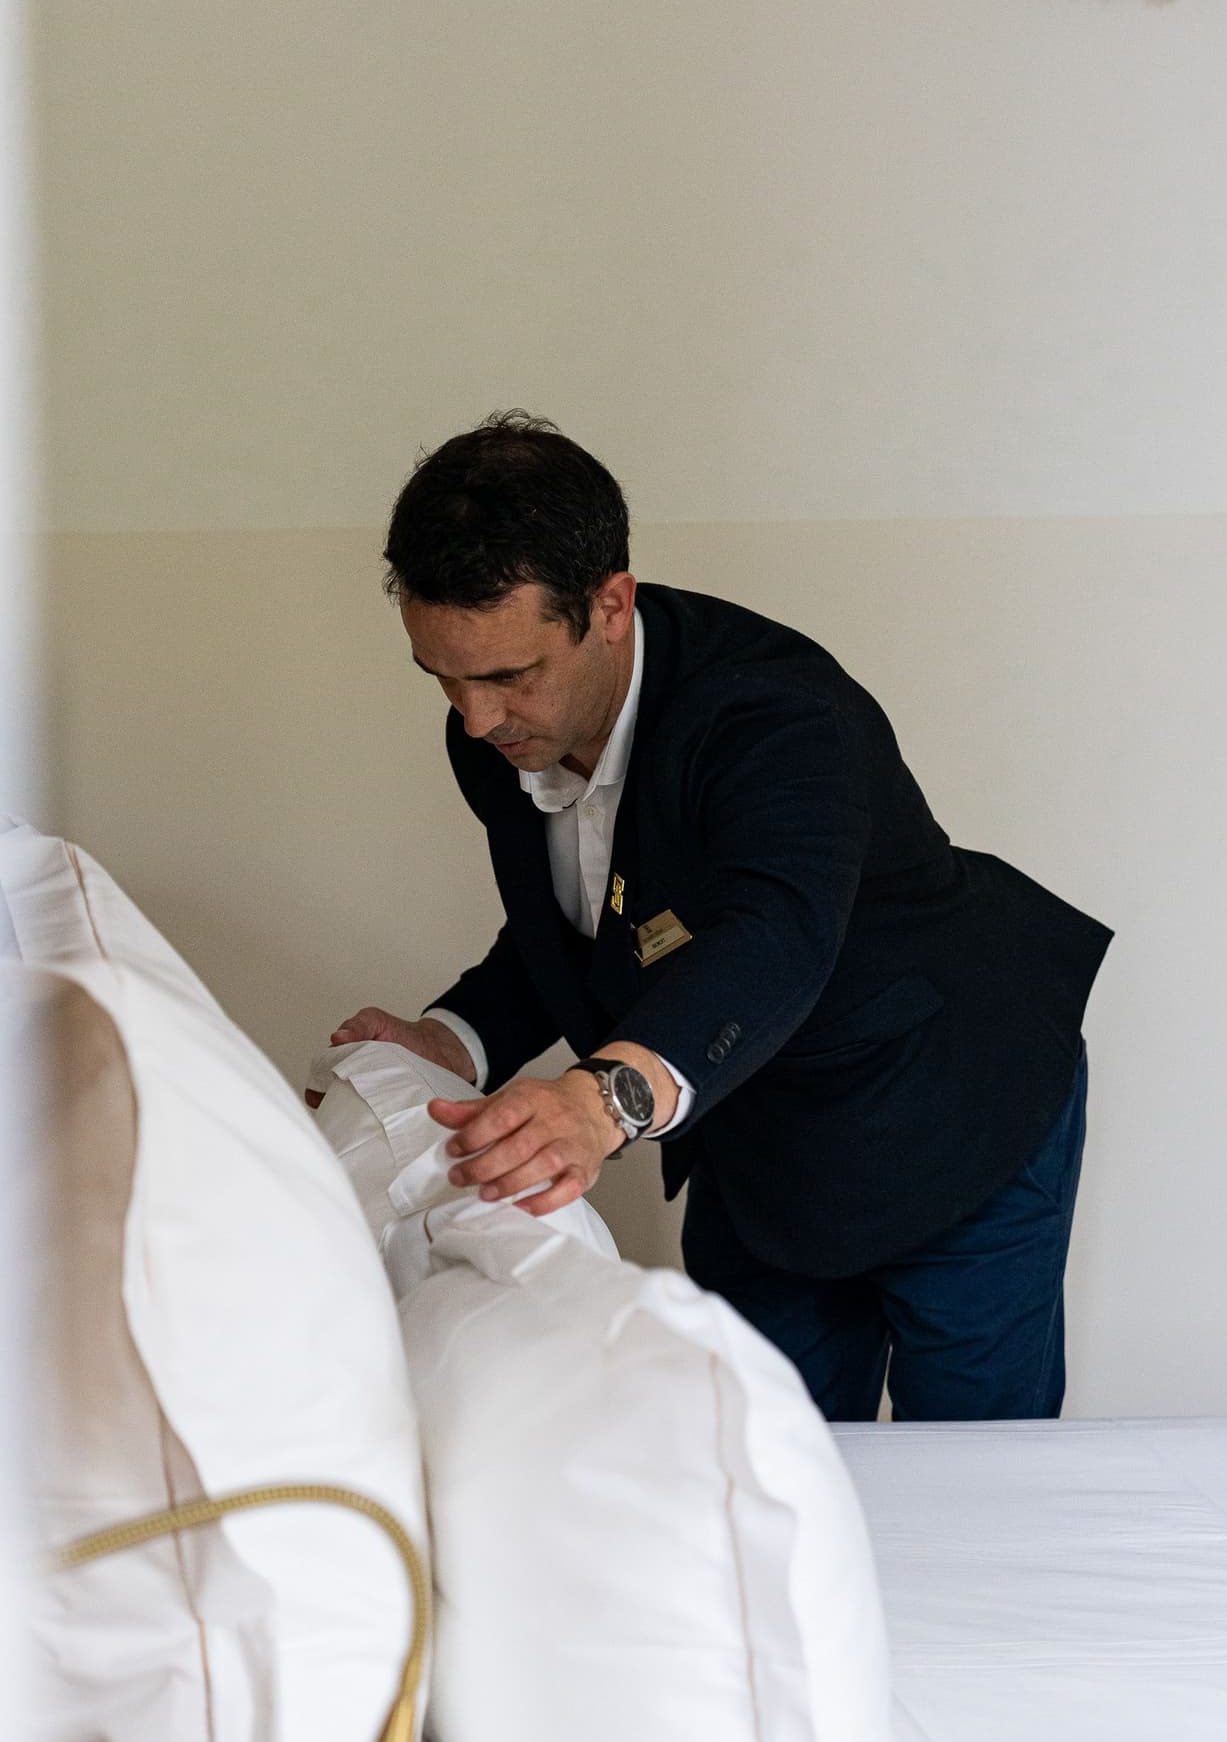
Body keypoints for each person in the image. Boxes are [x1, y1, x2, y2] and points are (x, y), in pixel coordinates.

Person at [328, 412, 1112, 1424]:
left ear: (610, 605)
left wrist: (600, 1101)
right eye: (443, 677)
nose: (474, 720)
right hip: (761, 1144)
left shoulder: (778, 716)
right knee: (759, 1447)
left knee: (975, 1480)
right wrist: (450, 1038)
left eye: (508, 676)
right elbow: (585, 933)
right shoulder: (499, 738)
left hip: (947, 1111)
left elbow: (774, 936)